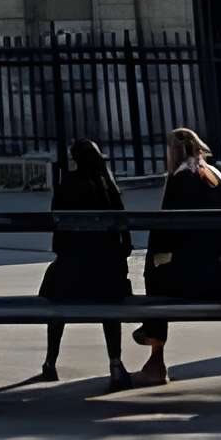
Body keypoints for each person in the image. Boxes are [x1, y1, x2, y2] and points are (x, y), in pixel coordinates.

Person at [132, 126, 221, 386]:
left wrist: (156, 258)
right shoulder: (214, 176)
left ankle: (156, 356)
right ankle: (153, 348)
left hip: (197, 282)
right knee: (160, 267)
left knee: (154, 272)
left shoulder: (181, 178)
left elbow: (165, 233)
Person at [31, 137, 132, 390]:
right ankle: (115, 362)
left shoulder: (67, 185)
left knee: (54, 290)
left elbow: (57, 237)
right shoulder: (109, 186)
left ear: (75, 160)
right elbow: (126, 242)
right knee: (107, 298)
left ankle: (50, 362)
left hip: (72, 279)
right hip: (108, 281)